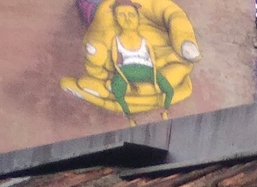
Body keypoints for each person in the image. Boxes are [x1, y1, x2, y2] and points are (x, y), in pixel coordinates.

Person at [61, 0, 201, 122]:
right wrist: (100, 12)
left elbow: (159, 57)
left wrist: (172, 57)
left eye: (132, 15)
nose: (127, 19)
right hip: (125, 70)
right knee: (112, 81)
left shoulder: (146, 38)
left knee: (165, 81)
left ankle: (162, 109)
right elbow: (106, 59)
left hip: (145, 69)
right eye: (121, 15)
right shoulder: (114, 37)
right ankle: (124, 105)